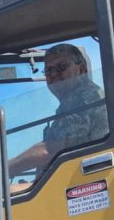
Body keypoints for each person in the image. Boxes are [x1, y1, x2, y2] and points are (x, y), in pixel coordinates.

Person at [8, 43, 108, 181]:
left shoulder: (85, 98)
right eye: (48, 70)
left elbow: (51, 150)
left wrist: (9, 167)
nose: (54, 74)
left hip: (88, 183)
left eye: (62, 67)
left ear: (82, 70)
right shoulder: (69, 104)